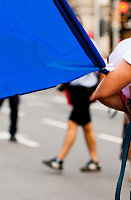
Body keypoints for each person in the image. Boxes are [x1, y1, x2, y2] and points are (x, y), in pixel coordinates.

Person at [43, 23, 103, 173]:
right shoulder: (69, 45)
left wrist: (98, 91)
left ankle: (59, 159)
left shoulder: (90, 44)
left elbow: (103, 65)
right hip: (76, 91)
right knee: (87, 126)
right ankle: (95, 161)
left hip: (86, 91)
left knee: (72, 123)